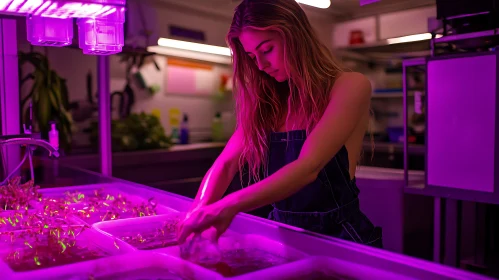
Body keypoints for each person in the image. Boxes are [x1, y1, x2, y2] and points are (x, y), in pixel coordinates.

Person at [177, 0, 383, 249]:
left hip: (339, 238)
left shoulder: (350, 85)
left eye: (267, 49)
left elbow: (308, 167)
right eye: (253, 56)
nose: (261, 65)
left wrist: (228, 205)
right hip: (282, 235)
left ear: (295, 36)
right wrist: (197, 212)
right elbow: (227, 163)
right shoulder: (269, 103)